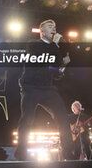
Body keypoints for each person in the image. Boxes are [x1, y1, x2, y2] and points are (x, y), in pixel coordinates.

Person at [14, 19, 73, 161]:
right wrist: (56, 44)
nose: (54, 29)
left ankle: (70, 154)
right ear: (42, 31)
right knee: (27, 118)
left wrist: (63, 67)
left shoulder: (55, 49)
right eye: (50, 26)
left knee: (63, 118)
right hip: (31, 88)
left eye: (55, 27)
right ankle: (21, 154)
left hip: (48, 89)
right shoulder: (33, 44)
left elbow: (55, 73)